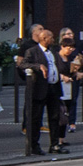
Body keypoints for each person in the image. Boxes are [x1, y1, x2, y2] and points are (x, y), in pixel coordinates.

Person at [19, 28, 66, 157]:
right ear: (44, 39)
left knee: (55, 117)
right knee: (36, 118)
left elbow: (59, 65)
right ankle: (34, 145)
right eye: (51, 37)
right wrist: (37, 66)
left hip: (53, 87)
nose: (53, 39)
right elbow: (23, 64)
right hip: (39, 89)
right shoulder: (32, 51)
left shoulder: (53, 51)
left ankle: (55, 144)